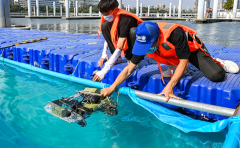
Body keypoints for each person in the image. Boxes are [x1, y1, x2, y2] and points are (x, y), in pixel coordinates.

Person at [100, 21, 239, 101]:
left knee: (216, 75)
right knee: (166, 60)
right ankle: (172, 66)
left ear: (158, 38)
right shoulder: (144, 38)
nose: (146, 50)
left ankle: (218, 62)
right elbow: (129, 68)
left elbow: (184, 61)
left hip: (190, 50)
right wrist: (112, 87)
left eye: (148, 46)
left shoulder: (174, 34)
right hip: (170, 53)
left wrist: (170, 86)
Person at [92, 0, 143, 82]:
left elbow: (120, 46)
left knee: (133, 31)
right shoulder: (110, 17)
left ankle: (131, 59)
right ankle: (117, 58)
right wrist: (103, 55)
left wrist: (104, 71)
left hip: (132, 42)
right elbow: (109, 36)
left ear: (115, 10)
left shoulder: (125, 18)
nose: (105, 16)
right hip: (121, 40)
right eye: (103, 14)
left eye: (106, 14)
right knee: (104, 25)